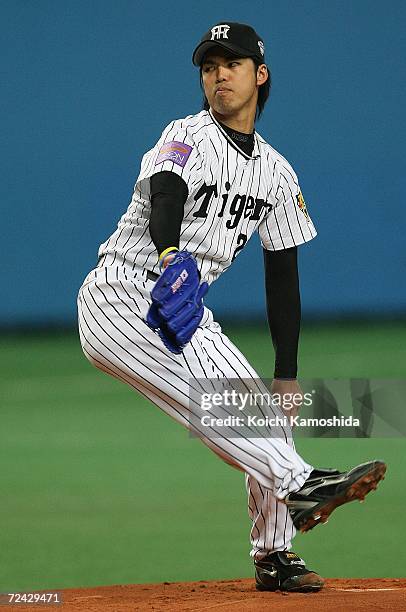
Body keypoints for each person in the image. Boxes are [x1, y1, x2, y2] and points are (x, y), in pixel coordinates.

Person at [77, 21, 386, 593]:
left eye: (232, 63)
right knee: (221, 406)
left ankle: (274, 554)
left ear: (259, 76)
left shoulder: (276, 171)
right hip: (122, 294)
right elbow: (166, 193)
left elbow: (282, 273)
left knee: (263, 408)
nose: (218, 73)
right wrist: (171, 252)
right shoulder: (186, 132)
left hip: (184, 309)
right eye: (209, 66)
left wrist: (287, 373)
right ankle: (301, 483)